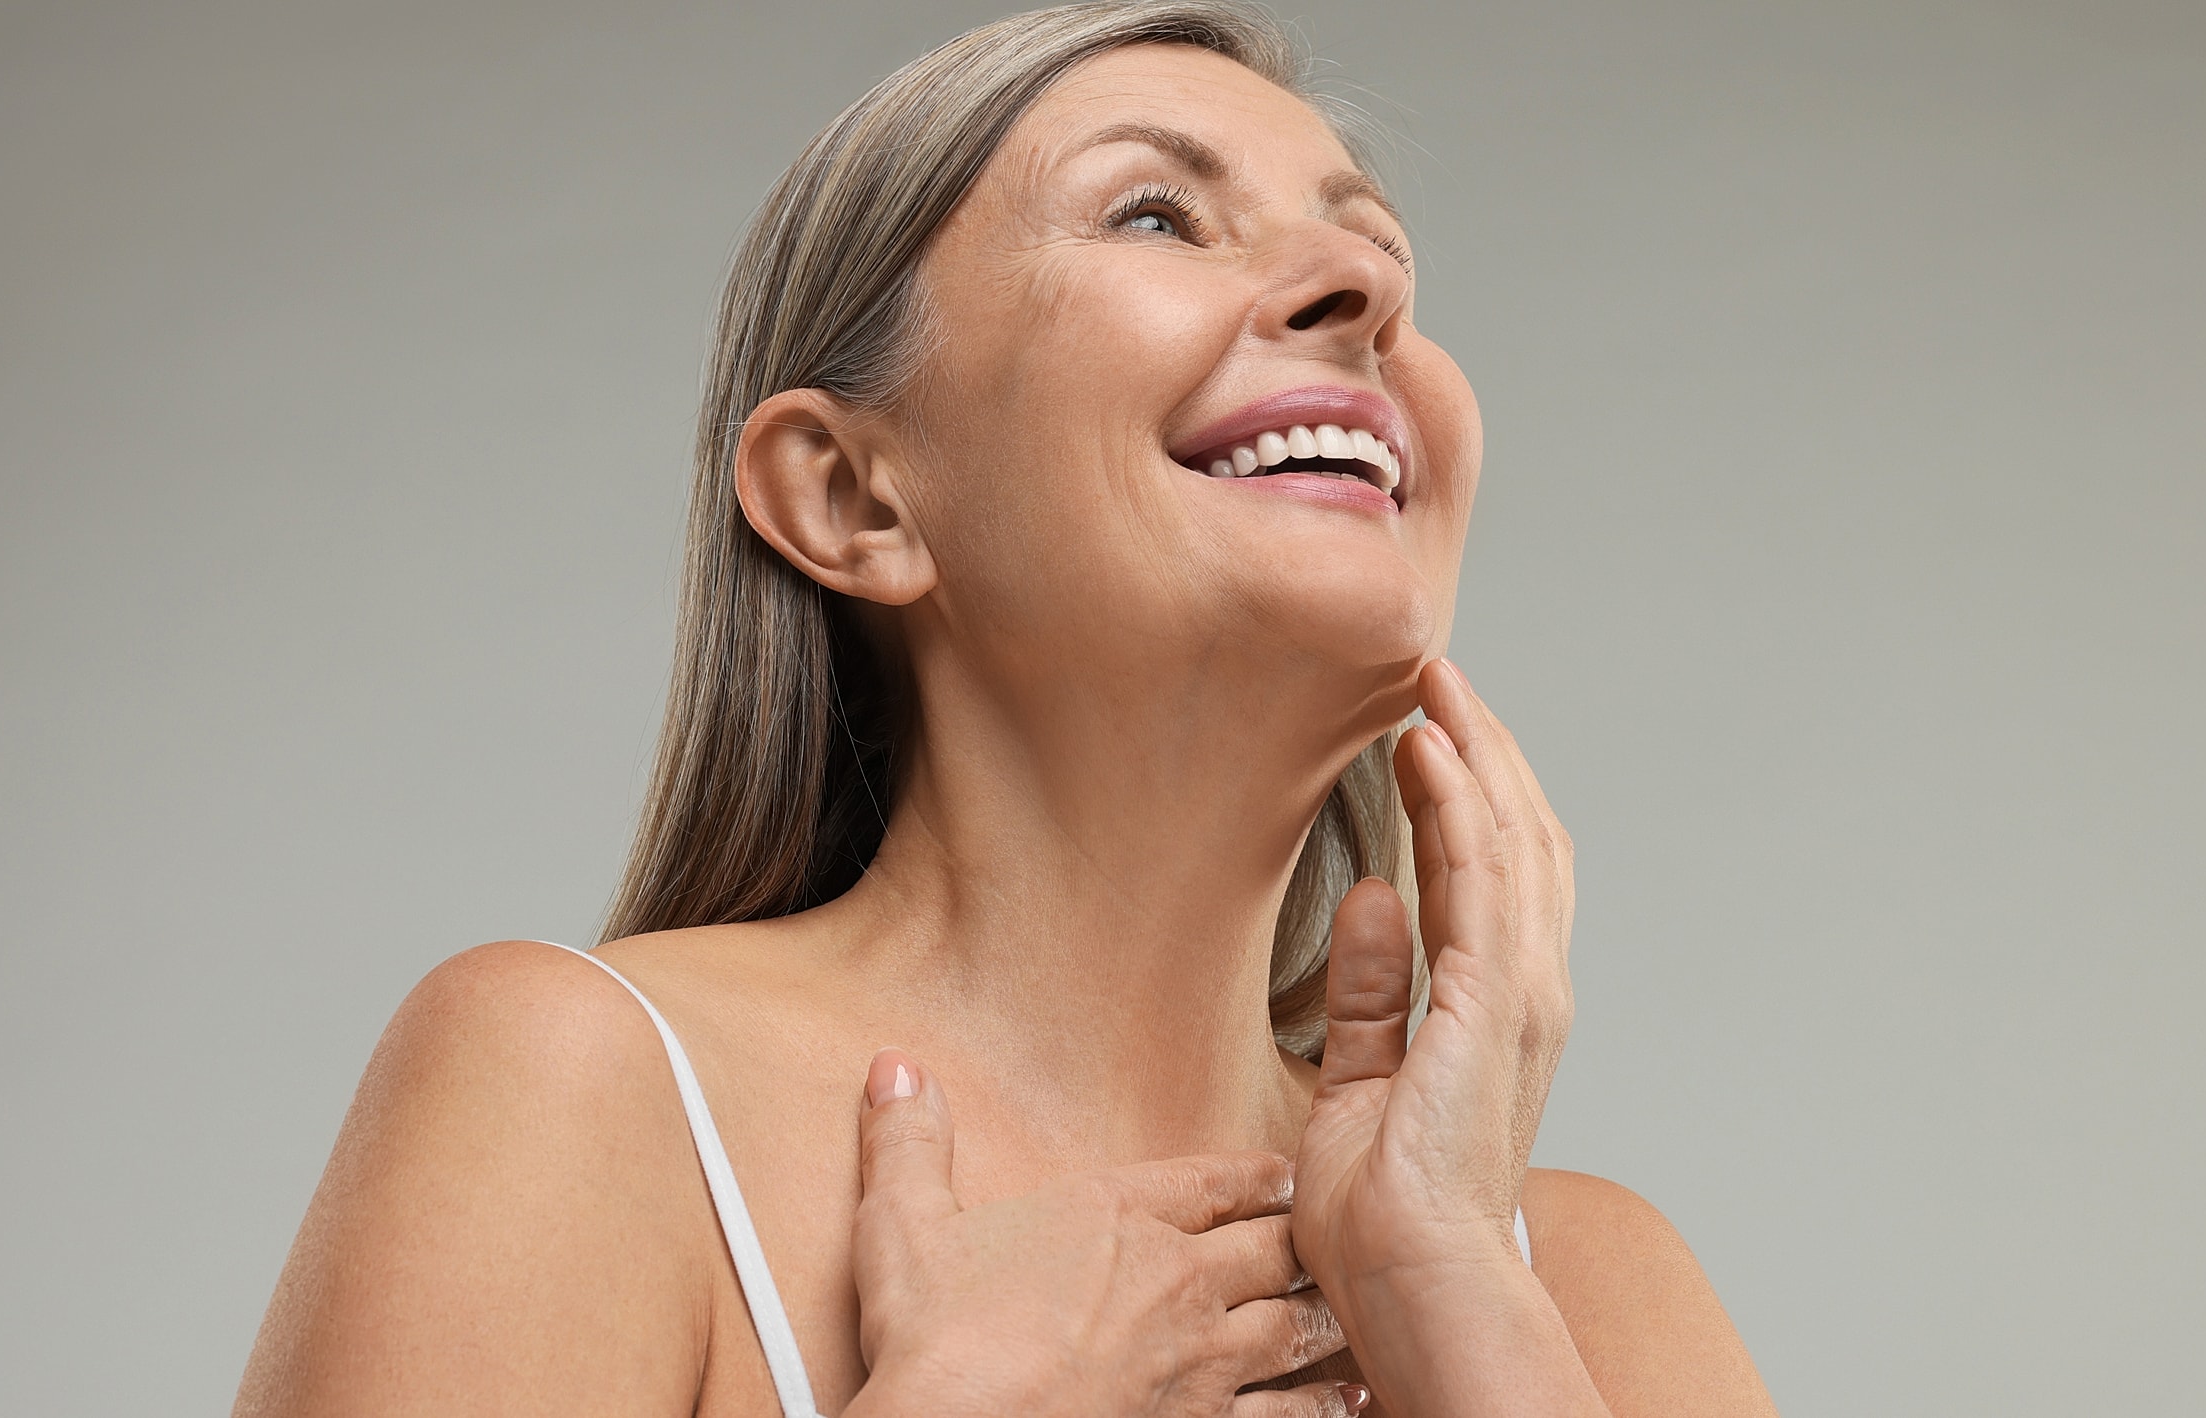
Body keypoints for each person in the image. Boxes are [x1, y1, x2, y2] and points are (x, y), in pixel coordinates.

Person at [234, 4, 1778, 1414]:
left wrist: (1451, 1290)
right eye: (1155, 213)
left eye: (1377, 251)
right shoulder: (576, 1095)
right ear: (852, 498)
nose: (1366, 288)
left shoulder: (1582, 1286)